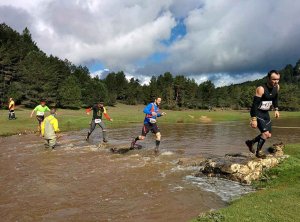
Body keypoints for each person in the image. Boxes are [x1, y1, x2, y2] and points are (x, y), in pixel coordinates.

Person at [245, 70, 280, 158]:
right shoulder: (261, 89)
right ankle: (258, 152)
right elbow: (254, 105)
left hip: (265, 113)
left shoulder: (277, 87)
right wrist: (253, 119)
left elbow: (275, 98)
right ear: (268, 78)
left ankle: (251, 142)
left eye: (278, 79)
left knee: (268, 135)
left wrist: (276, 109)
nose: (276, 81)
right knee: (265, 134)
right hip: (258, 113)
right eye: (274, 79)